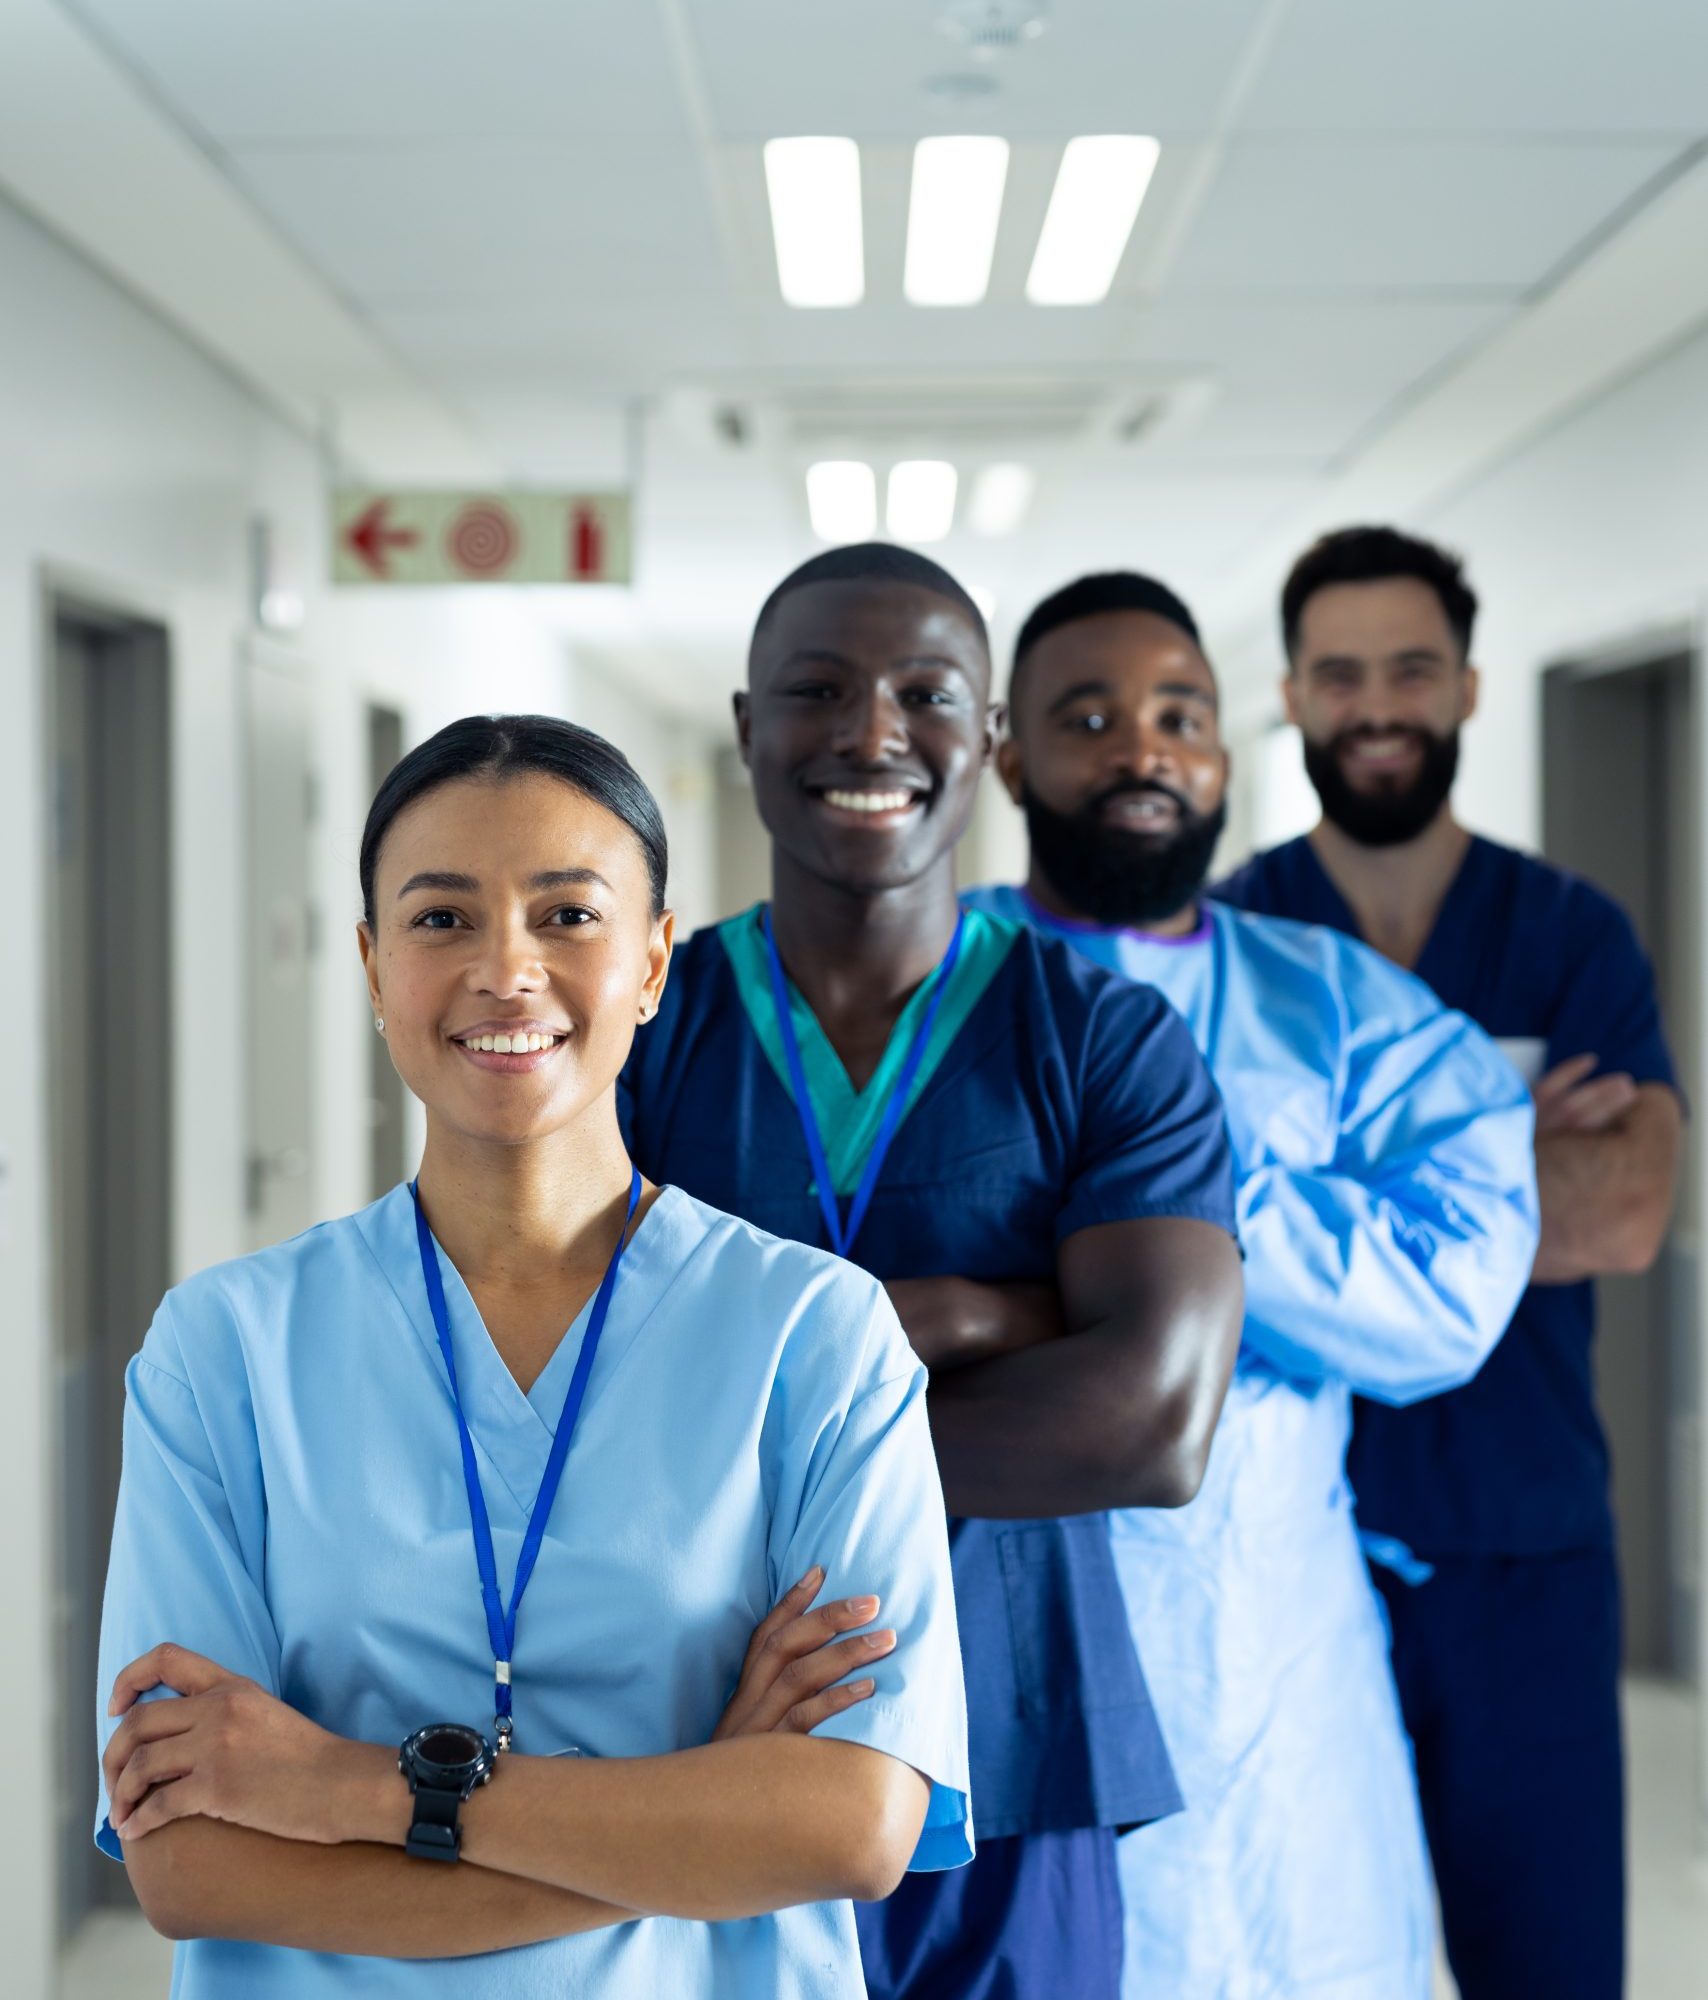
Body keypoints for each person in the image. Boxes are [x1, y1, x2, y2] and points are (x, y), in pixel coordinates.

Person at [94, 715, 973, 1998]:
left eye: (568, 915)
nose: (507, 970)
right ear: (372, 964)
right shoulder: (225, 1349)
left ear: (657, 957)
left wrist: (344, 1785)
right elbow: (190, 1869)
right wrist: (703, 1811)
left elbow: (850, 1826)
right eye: (442, 919)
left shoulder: (816, 1336)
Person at [620, 544, 1246, 2000]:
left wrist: (768, 1408)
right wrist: (992, 1319)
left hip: (1016, 1734)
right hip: (691, 1730)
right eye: (819, 691)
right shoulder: (648, 1029)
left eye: (925, 693)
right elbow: (566, 1382)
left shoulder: (1100, 1042)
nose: (872, 731)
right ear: (746, 725)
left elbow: (1154, 1426)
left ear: (994, 745)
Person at [968, 570, 1540, 1999]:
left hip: (1268, 1650)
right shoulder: (926, 984)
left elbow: (1449, 1297)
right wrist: (1256, 1243)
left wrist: (1137, 1204)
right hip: (978, 1623)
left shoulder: (1344, 1009)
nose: (1141, 749)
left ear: (1227, 757)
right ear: (1010, 755)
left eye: (1180, 715)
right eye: (1087, 717)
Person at [1220, 525, 1683, 2000]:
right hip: (1284, 1550)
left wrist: (1312, 1198)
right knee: (1291, 1958)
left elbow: (1626, 1210)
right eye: (1340, 673)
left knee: (1544, 1967)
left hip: (1519, 1554)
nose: (1376, 704)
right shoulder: (1233, 933)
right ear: (1289, 693)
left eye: (1411, 669)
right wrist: (1488, 1160)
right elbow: (1165, 1232)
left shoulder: (1568, 935)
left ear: (1469, 688)